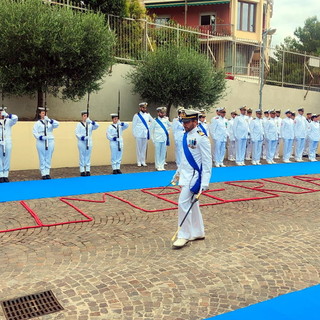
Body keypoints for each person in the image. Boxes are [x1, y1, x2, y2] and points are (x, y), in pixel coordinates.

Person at [171, 109, 212, 248]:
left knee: (183, 203)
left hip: (195, 177)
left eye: (187, 122)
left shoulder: (201, 137)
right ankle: (198, 231)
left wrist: (205, 182)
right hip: (185, 175)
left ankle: (184, 235)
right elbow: (184, 159)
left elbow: (207, 162)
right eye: (183, 122)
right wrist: (178, 173)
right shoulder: (185, 135)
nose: (184, 124)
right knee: (193, 205)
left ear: (195, 121)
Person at [33, 107, 59, 179]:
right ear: (40, 114)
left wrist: (49, 120)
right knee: (42, 156)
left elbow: (57, 124)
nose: (44, 114)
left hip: (50, 140)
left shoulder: (50, 122)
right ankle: (43, 173)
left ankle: (47, 172)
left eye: (45, 113)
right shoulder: (37, 123)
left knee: (48, 156)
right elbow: (35, 132)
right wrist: (40, 137)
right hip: (41, 140)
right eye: (43, 113)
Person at [75, 110, 99, 176]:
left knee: (88, 155)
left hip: (89, 142)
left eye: (87, 116)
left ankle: (88, 170)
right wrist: (82, 137)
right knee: (82, 155)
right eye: (84, 116)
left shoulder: (90, 124)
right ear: (82, 117)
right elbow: (77, 133)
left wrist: (90, 121)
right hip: (82, 142)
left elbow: (97, 126)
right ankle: (82, 170)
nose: (85, 117)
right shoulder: (79, 124)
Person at [0, 106, 18, 182]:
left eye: (1, 112)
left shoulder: (8, 121)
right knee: (0, 158)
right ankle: (1, 175)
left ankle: (6, 174)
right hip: (0, 141)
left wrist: (7, 115)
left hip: (7, 141)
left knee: (7, 157)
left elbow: (15, 118)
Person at [150, 107, 171, 171]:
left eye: (163, 113)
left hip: (164, 138)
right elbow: (151, 130)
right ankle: (157, 166)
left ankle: (162, 165)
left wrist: (167, 132)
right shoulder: (154, 121)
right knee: (157, 153)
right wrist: (153, 139)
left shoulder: (166, 120)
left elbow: (169, 126)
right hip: (157, 139)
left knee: (163, 153)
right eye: (161, 113)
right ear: (158, 113)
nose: (163, 114)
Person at [132, 102, 153, 167]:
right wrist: (134, 134)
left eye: (145, 108)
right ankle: (138, 161)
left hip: (145, 134)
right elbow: (134, 125)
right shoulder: (136, 115)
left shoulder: (148, 115)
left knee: (144, 148)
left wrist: (149, 127)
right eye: (143, 107)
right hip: (138, 133)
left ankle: (143, 161)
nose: (144, 109)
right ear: (140, 108)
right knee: (139, 148)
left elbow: (153, 121)